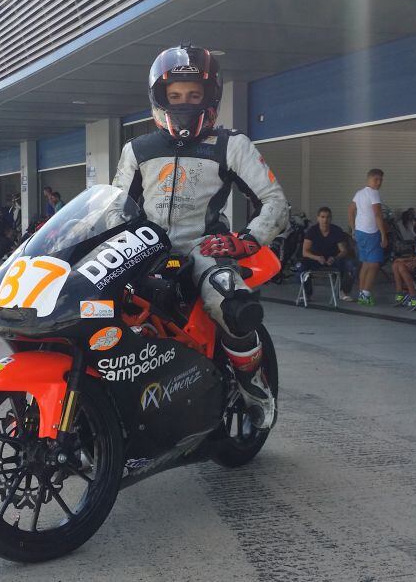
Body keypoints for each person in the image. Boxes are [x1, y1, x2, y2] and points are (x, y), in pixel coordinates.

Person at [112, 44, 288, 429]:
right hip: (142, 249)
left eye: (194, 95)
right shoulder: (137, 150)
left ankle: (253, 388)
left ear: (211, 96)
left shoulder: (232, 145)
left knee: (234, 306)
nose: (185, 102)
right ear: (160, 97)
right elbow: (114, 210)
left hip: (205, 249)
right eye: (174, 95)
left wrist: (248, 239)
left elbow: (275, 202)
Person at [297, 207, 358, 302]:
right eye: (322, 217)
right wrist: (316, 257)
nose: (325, 220)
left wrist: (334, 258)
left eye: (328, 217)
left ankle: (343, 291)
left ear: (331, 218)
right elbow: (305, 252)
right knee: (300, 267)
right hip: (316, 259)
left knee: (351, 265)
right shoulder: (312, 231)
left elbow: (343, 251)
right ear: (318, 218)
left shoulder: (336, 230)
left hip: (332, 259)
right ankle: (307, 294)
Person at [348, 168, 388, 306]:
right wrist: (383, 235)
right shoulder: (374, 193)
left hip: (360, 232)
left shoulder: (359, 193)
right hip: (371, 232)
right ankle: (365, 294)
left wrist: (353, 228)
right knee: (374, 264)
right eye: (376, 179)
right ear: (369, 179)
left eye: (381, 180)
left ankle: (361, 293)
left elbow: (350, 210)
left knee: (365, 264)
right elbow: (378, 215)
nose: (378, 182)